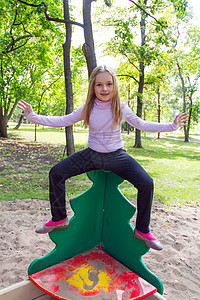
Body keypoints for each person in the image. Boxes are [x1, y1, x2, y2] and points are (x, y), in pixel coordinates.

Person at [17, 65, 188, 251]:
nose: (104, 89)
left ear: (114, 85)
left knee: (147, 183)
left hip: (117, 156)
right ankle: (59, 219)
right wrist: (33, 117)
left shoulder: (121, 107)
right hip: (92, 155)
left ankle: (142, 230)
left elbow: (142, 124)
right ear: (93, 86)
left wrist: (171, 126)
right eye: (99, 85)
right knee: (56, 172)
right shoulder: (88, 108)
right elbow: (62, 121)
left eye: (108, 84)